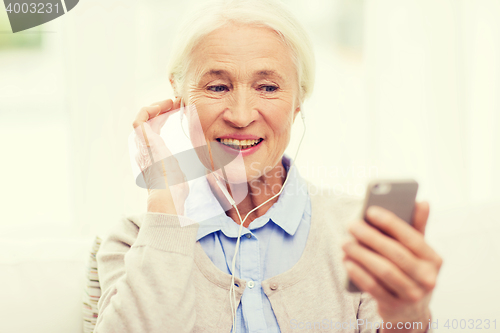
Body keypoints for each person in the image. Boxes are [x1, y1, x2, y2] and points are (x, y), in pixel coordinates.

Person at [94, 0, 442, 332]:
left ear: (298, 100)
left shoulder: (358, 236)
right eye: (217, 86)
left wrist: (406, 319)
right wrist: (165, 195)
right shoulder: (132, 243)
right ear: (180, 97)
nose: (242, 116)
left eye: (268, 87)